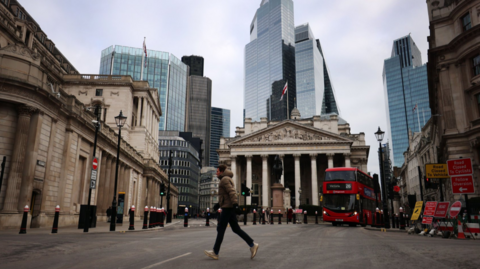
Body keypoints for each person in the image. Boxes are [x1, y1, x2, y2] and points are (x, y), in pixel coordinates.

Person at [204, 164, 259, 260]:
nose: (216, 173)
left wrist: (235, 204)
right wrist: (218, 204)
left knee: (221, 229)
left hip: (228, 208)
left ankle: (215, 252)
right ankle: (252, 244)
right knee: (236, 229)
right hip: (228, 207)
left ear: (221, 171)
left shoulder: (224, 179)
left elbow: (231, 192)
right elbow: (226, 195)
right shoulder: (226, 178)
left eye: (217, 171)